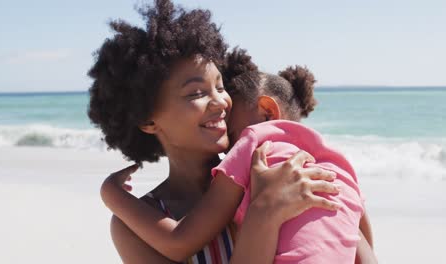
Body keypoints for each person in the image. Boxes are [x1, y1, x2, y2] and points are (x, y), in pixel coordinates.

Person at [89, 0, 362, 263]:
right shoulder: (138, 225)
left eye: (220, 88)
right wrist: (263, 213)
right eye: (196, 93)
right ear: (148, 120)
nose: (220, 102)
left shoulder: (276, 173)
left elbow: (352, 236)